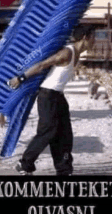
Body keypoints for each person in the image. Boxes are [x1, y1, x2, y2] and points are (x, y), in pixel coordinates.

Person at [8, 24, 95, 176]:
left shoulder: (77, 53)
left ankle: (64, 170)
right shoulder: (67, 53)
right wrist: (20, 78)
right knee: (47, 131)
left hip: (58, 96)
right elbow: (42, 64)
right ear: (85, 38)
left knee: (64, 135)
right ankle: (24, 164)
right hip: (47, 96)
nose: (95, 41)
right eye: (94, 37)